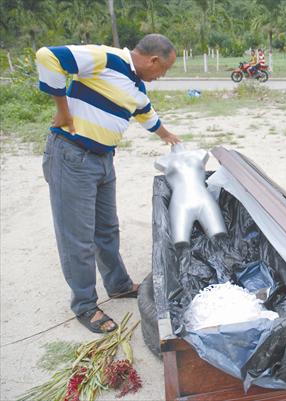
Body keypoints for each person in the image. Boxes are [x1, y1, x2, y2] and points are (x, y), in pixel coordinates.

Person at [35, 34, 181, 333]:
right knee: (78, 238)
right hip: (72, 156)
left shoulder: (136, 86)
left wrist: (167, 135)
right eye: (162, 71)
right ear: (153, 60)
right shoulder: (106, 58)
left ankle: (119, 285)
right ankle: (85, 305)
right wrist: (62, 109)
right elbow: (47, 56)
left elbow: (145, 113)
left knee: (106, 230)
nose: (160, 77)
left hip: (103, 160)